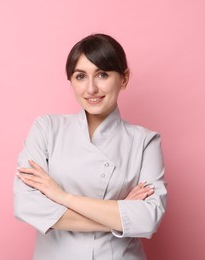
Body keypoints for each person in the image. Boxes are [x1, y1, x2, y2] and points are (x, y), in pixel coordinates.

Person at [14, 33, 167, 260]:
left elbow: (148, 219)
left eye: (102, 74)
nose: (91, 88)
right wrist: (120, 212)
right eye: (80, 76)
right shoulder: (46, 128)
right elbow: (26, 205)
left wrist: (63, 197)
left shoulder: (145, 142)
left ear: (124, 79)